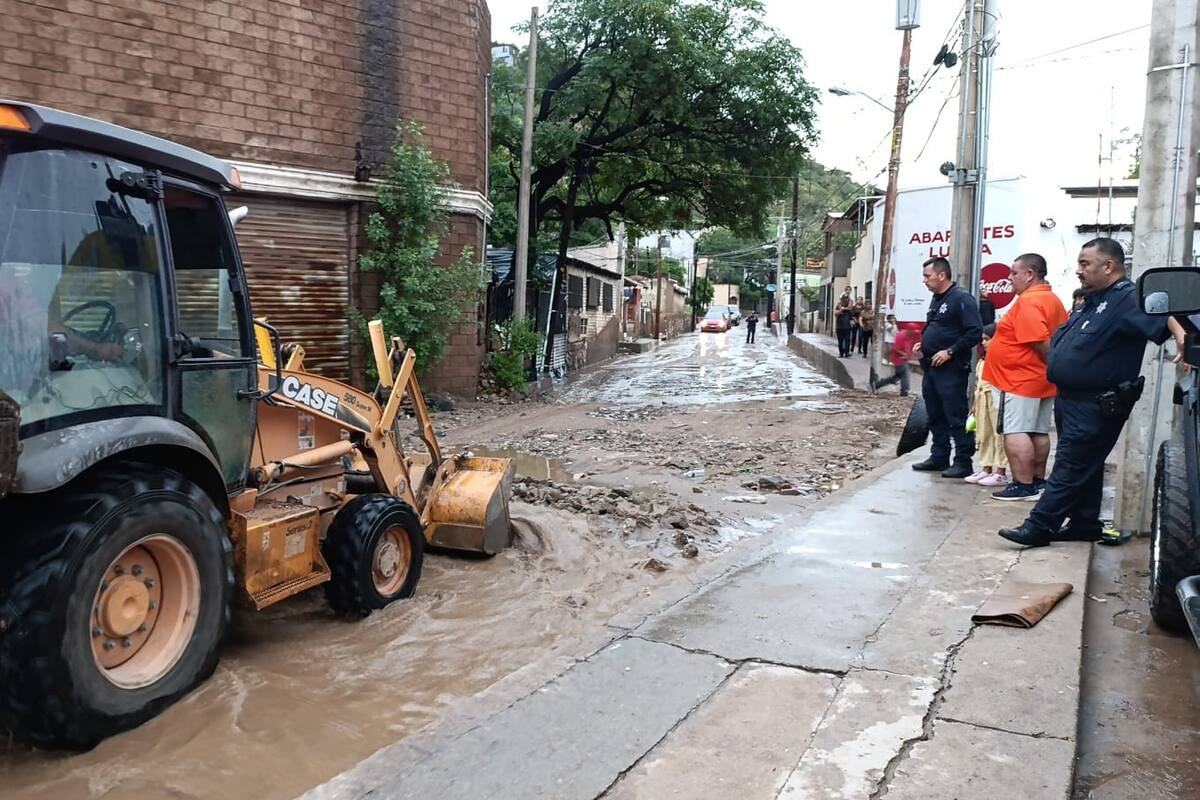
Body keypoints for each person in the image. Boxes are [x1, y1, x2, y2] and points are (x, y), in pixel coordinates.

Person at [999, 238, 1187, 547]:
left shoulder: (1128, 297)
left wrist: (1181, 334)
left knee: (1071, 464)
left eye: (1085, 264)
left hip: (1097, 403)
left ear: (1109, 266)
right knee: (1087, 462)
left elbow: (1161, 309)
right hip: (1070, 398)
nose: (1078, 271)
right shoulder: (1094, 298)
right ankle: (1084, 523)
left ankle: (1039, 526)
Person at [981, 253, 1069, 501]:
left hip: (1018, 379)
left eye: (1013, 273)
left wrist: (1056, 368)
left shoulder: (1029, 302)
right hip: (1038, 379)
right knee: (1037, 431)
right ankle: (1037, 482)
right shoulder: (1051, 299)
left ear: (1030, 274)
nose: (1009, 278)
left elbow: (1041, 341)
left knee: (1016, 431)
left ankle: (1023, 484)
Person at [911, 256, 983, 479]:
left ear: (942, 275)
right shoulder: (937, 299)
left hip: (951, 369)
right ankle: (939, 455)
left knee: (956, 415)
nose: (924, 280)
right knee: (935, 414)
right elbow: (940, 327)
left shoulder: (961, 299)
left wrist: (950, 351)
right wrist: (925, 342)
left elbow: (974, 331)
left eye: (927, 276)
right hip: (931, 367)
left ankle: (963, 461)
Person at [965, 324, 1009, 487]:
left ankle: (1000, 471)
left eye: (987, 339)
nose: (984, 343)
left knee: (999, 434)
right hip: (982, 398)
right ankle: (986, 467)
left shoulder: (1003, 358)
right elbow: (978, 384)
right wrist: (975, 406)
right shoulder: (982, 361)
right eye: (982, 339)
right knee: (983, 433)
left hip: (996, 397)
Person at [872, 321, 916, 396]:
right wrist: (904, 354)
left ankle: (877, 385)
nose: (913, 332)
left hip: (903, 359)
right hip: (899, 360)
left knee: (896, 377)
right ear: (909, 329)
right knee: (905, 375)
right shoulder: (901, 336)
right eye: (913, 331)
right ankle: (904, 391)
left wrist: (909, 354)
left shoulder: (908, 335)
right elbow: (895, 348)